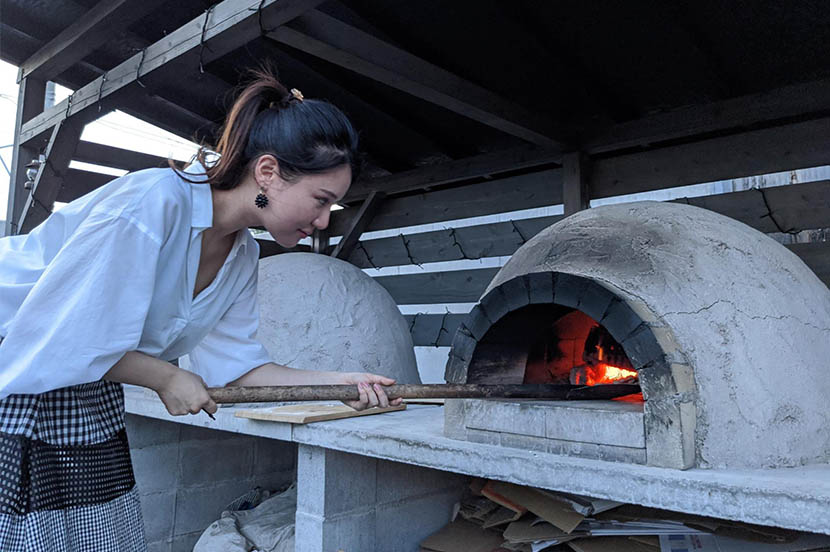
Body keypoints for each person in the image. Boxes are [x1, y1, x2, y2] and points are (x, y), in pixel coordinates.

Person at [0, 67, 400, 551]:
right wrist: (166, 376)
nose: (320, 222)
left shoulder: (242, 256)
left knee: (96, 535)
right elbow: (62, 334)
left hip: (84, 385)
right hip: (17, 369)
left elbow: (242, 369)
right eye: (321, 201)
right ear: (269, 173)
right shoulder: (154, 203)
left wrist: (338, 386)